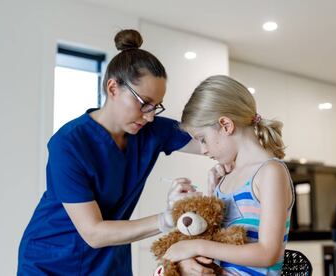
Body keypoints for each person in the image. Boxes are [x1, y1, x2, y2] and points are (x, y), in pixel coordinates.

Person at [17, 29, 207, 275]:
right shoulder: (68, 144)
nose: (149, 116)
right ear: (113, 87)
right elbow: (94, 233)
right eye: (143, 103)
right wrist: (167, 218)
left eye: (155, 107)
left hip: (109, 260)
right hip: (51, 261)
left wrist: (227, 164)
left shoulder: (151, 131)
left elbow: (211, 140)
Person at [163, 75, 295, 275]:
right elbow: (216, 240)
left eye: (203, 139)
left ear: (226, 125)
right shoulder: (224, 178)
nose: (203, 150)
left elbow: (268, 253)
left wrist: (197, 246)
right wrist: (210, 193)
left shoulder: (270, 172)